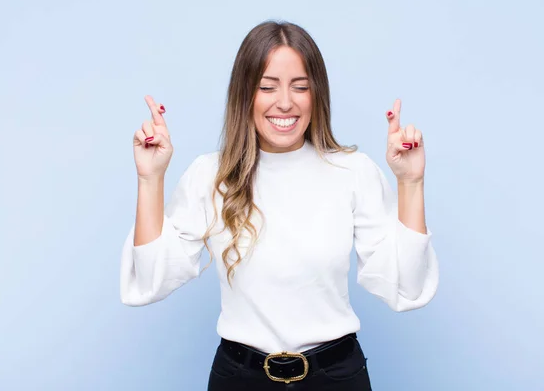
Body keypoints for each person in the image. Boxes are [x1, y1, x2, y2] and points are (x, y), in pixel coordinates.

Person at [120, 20, 438, 391]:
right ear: (244, 94)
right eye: (267, 87)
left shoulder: (352, 171)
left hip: (336, 378)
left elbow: (408, 286)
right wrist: (150, 178)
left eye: (300, 87)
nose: (285, 102)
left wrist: (411, 182)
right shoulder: (211, 175)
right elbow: (149, 281)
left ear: (316, 94)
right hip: (239, 379)